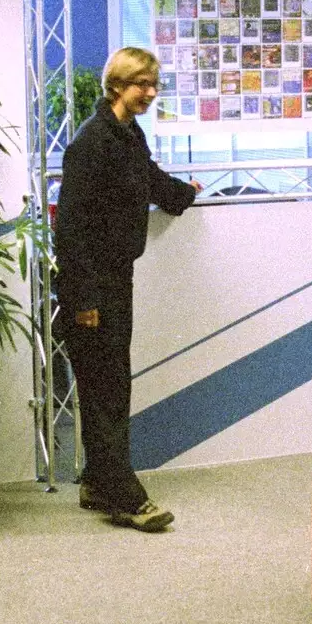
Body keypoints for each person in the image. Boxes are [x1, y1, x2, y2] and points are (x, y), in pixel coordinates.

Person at [53, 47, 200, 533]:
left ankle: (98, 482)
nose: (152, 93)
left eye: (155, 83)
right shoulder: (91, 143)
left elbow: (148, 179)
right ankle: (125, 497)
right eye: (142, 84)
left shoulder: (127, 137)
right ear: (117, 85)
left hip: (117, 278)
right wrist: (83, 299)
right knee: (106, 389)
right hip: (93, 285)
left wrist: (183, 194)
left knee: (110, 384)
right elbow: (70, 228)